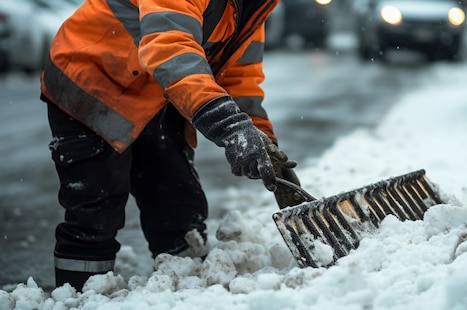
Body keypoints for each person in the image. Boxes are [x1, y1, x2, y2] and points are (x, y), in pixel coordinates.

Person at [40, 0, 304, 291]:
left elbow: (239, 75)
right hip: (92, 78)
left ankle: (188, 294)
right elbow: (170, 46)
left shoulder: (252, 6)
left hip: (158, 91)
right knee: (95, 211)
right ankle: (78, 296)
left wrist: (261, 138)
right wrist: (228, 125)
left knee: (179, 208)